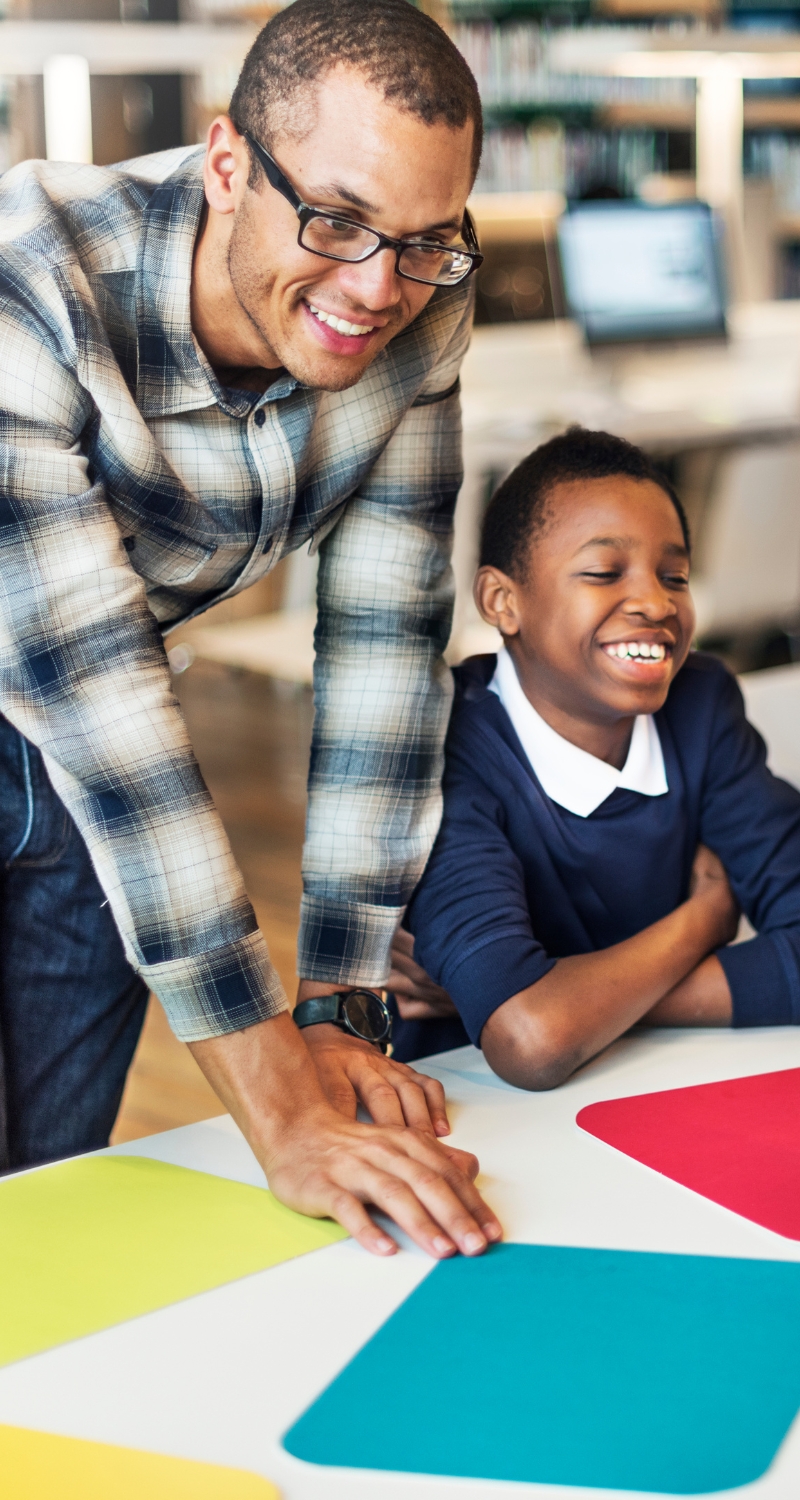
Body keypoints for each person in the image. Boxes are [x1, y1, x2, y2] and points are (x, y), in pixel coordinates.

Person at [0, 0, 503, 1260]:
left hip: (62, 769)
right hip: (68, 697)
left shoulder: (422, 296)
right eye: (332, 221)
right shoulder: (33, 279)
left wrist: (341, 1003)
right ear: (227, 165)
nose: (372, 287)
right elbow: (103, 709)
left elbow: (386, 648)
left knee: (35, 1201)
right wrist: (278, 1105)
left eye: (423, 240)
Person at [398, 427, 800, 1086]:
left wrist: (587, 1001)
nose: (655, 602)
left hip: (646, 1086)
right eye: (603, 572)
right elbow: (531, 1040)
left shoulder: (699, 706)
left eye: (675, 575)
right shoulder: (447, 748)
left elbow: (542, 1015)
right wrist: (700, 923)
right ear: (503, 601)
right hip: (471, 1113)